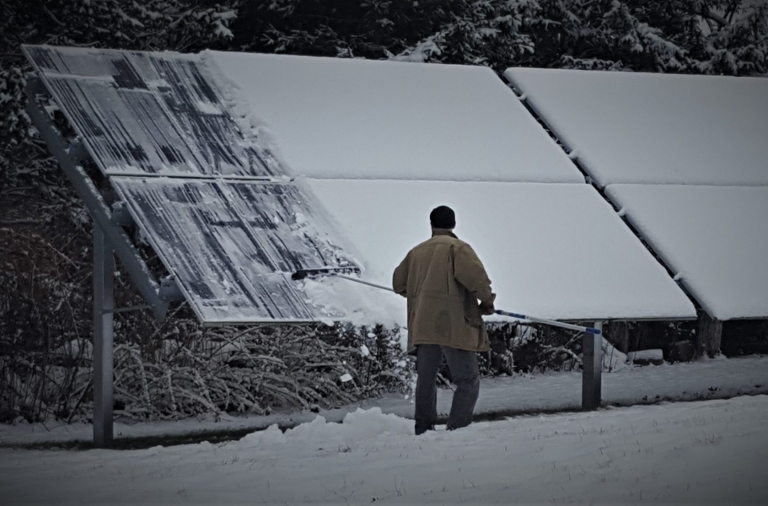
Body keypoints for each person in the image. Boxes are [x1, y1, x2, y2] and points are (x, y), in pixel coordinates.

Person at [392, 205, 495, 435]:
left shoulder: (416, 252)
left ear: (431, 225)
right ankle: (457, 430)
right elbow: (478, 281)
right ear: (454, 225)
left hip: (423, 325)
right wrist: (487, 303)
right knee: (467, 379)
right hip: (453, 324)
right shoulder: (459, 249)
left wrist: (420, 296)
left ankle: (423, 429)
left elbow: (398, 283)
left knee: (426, 380)